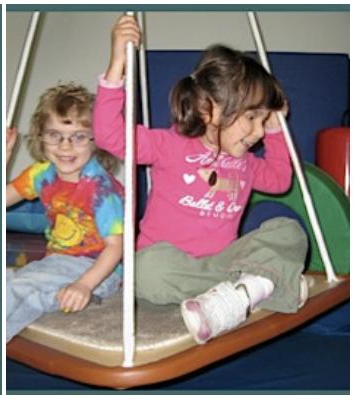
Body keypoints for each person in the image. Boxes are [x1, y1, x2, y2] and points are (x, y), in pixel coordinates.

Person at [93, 15, 308, 345]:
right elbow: (108, 136)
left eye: (264, 121)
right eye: (252, 117)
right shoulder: (169, 145)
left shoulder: (247, 163)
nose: (259, 132)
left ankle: (243, 291)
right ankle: (261, 286)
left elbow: (280, 180)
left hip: (224, 261)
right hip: (172, 270)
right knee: (146, 269)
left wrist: (278, 129)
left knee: (288, 231)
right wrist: (117, 64)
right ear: (208, 111)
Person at [6, 83, 125, 343]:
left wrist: (84, 284)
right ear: (41, 137)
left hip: (98, 270)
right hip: (57, 262)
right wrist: (2, 160)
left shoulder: (101, 188)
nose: (65, 146)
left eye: (79, 136)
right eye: (55, 134)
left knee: (17, 291)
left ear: (97, 141)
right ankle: (54, 294)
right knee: (5, 282)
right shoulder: (42, 173)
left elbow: (116, 247)